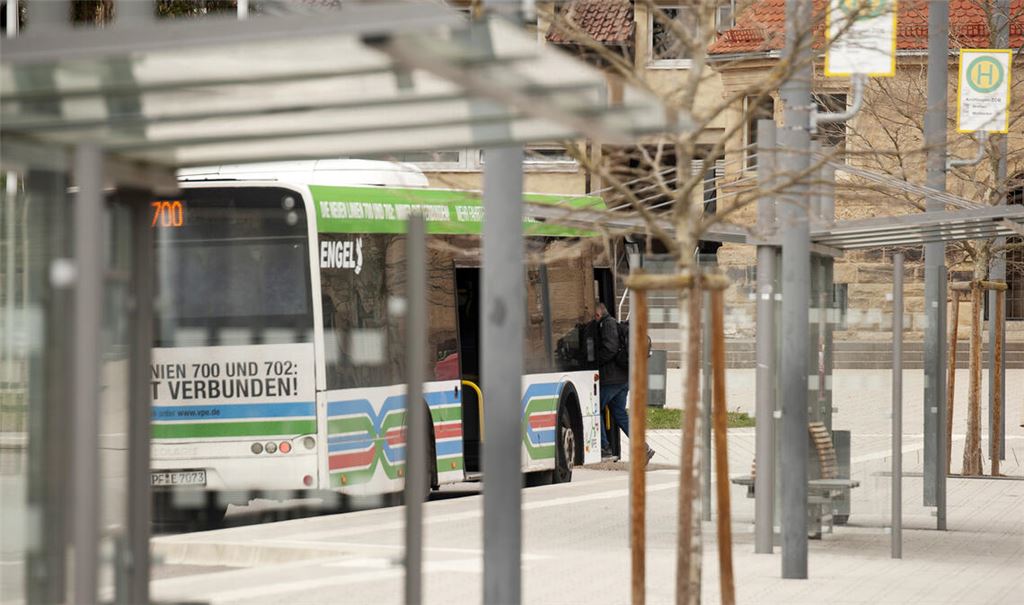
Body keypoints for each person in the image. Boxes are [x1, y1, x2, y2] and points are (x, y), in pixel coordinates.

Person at [594, 302, 655, 465]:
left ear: (598, 315)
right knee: (620, 413)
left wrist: (594, 362)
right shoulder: (616, 326)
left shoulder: (607, 324)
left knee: (594, 408)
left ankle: (604, 447)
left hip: (612, 380)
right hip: (623, 379)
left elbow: (610, 349)